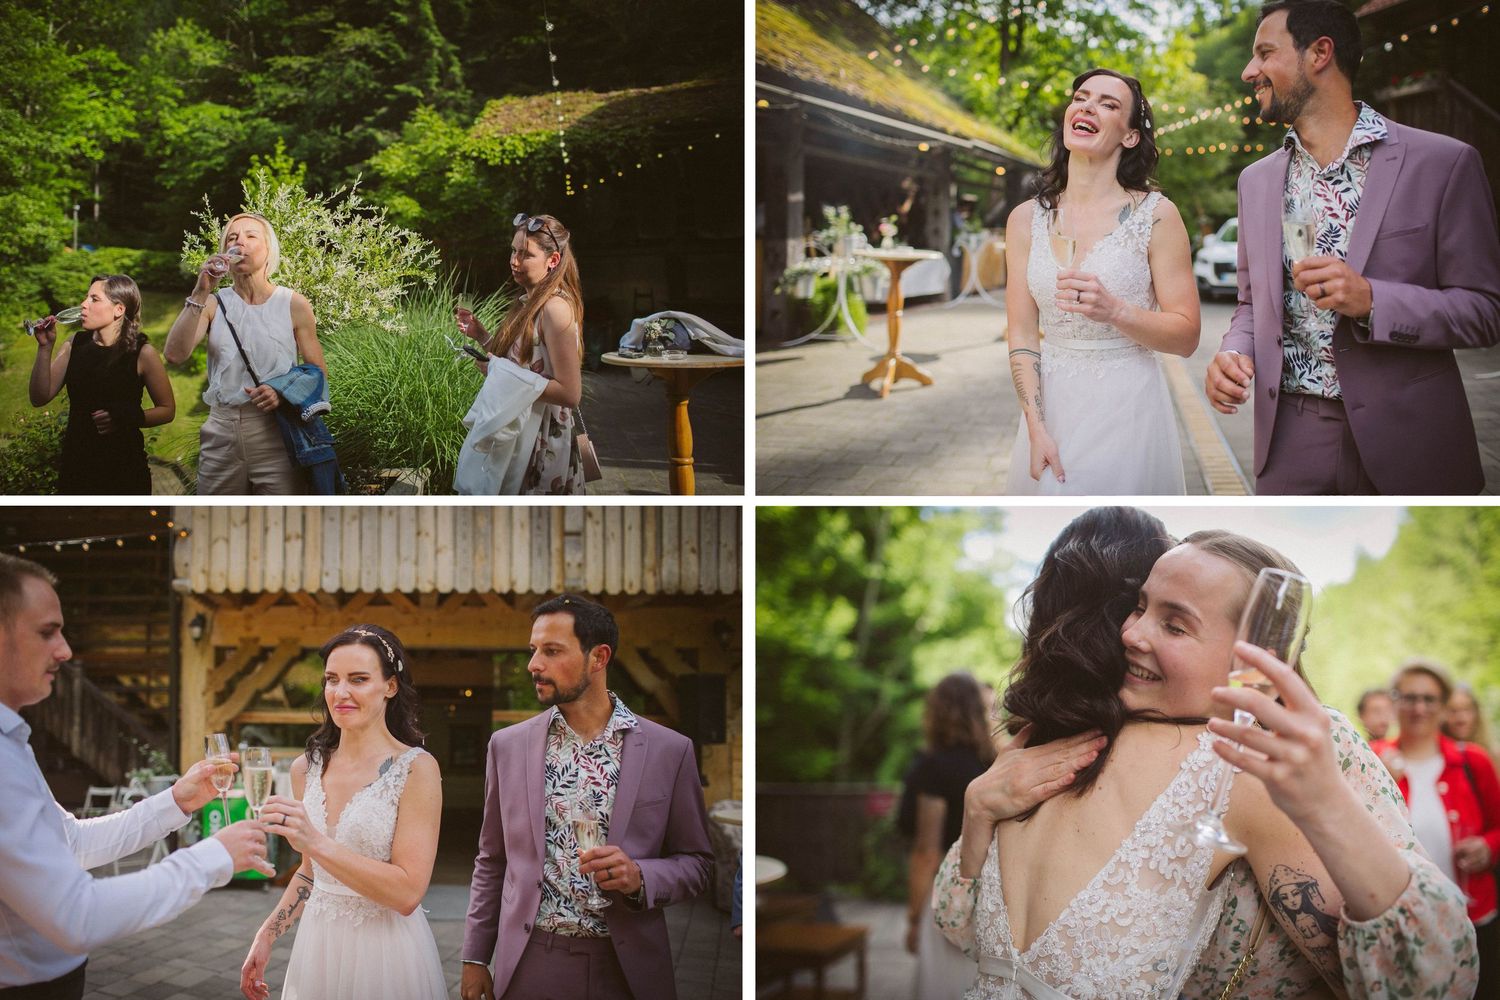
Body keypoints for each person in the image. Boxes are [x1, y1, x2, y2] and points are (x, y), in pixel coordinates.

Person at [933, 511, 1477, 998]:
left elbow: (1431, 980)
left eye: (1174, 624)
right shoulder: (1041, 748)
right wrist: (976, 809)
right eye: (1137, 607)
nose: (1131, 633)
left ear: (1260, 659)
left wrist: (1326, 803)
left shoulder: (1267, 753)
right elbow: (962, 929)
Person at [1204, 0, 1500, 494]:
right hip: (1289, 441)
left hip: (1414, 439)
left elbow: (1486, 312)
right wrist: (1232, 352)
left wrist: (1373, 300)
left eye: (1264, 53)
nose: (1248, 70)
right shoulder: (1255, 182)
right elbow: (1253, 304)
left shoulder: (1445, 164)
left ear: (1320, 53)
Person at [0, 553, 270, 998]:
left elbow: (72, 843)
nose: (65, 650)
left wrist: (176, 801)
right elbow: (77, 915)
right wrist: (212, 857)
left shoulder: (13, 741)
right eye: (48, 632)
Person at [461, 595, 713, 1000]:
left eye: (552, 651)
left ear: (599, 657)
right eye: (533, 651)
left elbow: (699, 863)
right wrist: (474, 958)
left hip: (628, 967)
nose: (533, 665)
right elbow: (492, 859)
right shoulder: (506, 746)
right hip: (531, 959)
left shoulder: (671, 750)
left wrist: (640, 878)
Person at [1002, 69, 1200, 495]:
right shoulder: (1025, 219)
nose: (1088, 106)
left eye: (1109, 104)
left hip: (1126, 404)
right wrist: (1037, 426)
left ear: (1129, 136)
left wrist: (1117, 311)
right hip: (1051, 407)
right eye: (1081, 97)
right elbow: (1020, 331)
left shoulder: (1158, 216)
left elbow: (1186, 336)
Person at [239, 624, 444, 1000]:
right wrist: (267, 934)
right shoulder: (306, 768)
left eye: (359, 679)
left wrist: (315, 841)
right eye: (332, 680)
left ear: (390, 686)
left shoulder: (416, 769)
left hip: (384, 951)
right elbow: (310, 872)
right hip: (319, 943)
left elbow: (407, 893)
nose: (340, 692)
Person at [164, 211, 326, 494]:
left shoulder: (294, 304)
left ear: (269, 250)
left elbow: (317, 372)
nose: (240, 242)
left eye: (251, 236)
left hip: (276, 432)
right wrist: (200, 291)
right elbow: (175, 355)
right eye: (233, 237)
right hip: (221, 431)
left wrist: (281, 392)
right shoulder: (213, 303)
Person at [1372, 660, 1500, 1000]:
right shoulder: (1371, 760)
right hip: (1400, 923)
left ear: (1443, 705)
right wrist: (1381, 782)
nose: (1418, 707)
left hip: (1473, 918)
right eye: (1409, 697)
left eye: (1429, 699)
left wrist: (1489, 847)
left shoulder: (1473, 761)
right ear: (1394, 701)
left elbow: (1498, 826)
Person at [454, 213, 586, 495]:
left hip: (542, 442)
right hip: (522, 431)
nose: (514, 261)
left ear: (553, 260)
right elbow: (521, 365)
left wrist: (500, 375)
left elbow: (570, 393)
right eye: (513, 250)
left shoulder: (555, 309)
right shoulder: (528, 302)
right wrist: (482, 336)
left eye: (526, 254)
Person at [28, 274, 175, 494]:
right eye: (86, 297)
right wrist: (45, 348)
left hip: (124, 468)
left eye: (94, 299)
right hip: (77, 464)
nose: (83, 304)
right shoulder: (73, 344)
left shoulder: (142, 353)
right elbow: (39, 398)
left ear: (119, 309)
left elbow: (167, 410)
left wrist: (125, 417)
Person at [898, 673, 995, 998]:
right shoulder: (992, 763)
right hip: (990, 898)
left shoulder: (933, 768)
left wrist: (913, 919)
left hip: (946, 895)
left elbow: (927, 851)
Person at [1444, 682, 1496, 757]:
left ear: (1477, 713)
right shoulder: (1436, 756)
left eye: (1467, 709)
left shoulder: (1493, 755)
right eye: (1453, 710)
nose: (1461, 718)